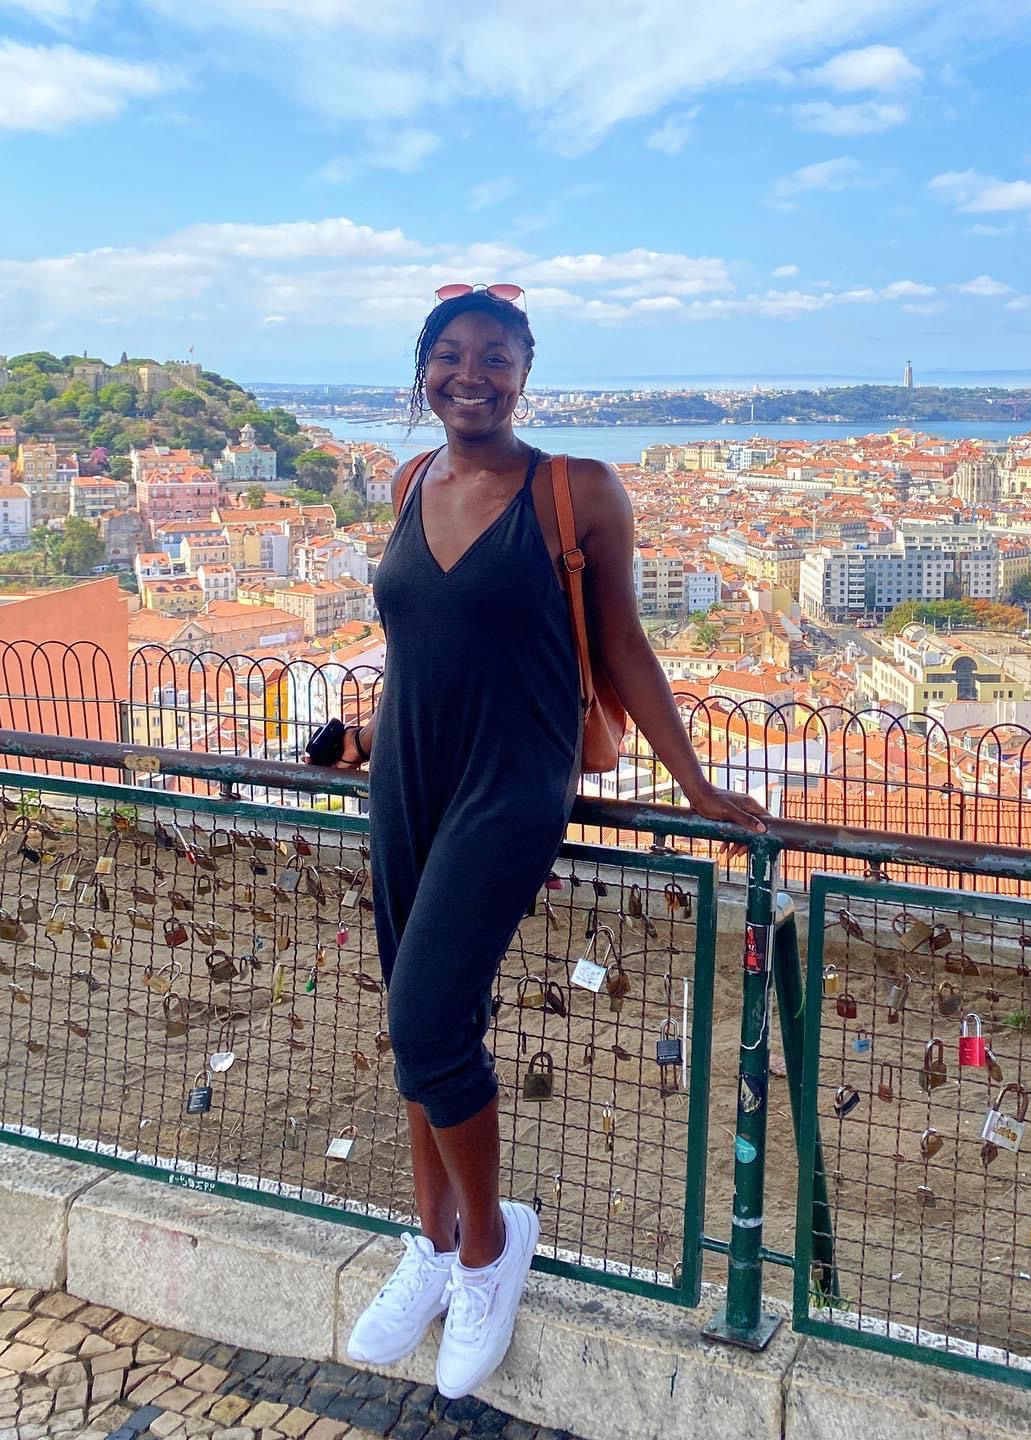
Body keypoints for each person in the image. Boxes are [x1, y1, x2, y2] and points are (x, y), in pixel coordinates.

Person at [309, 283, 770, 1397]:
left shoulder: (578, 491)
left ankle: (487, 1247)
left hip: (512, 781)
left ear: (526, 373)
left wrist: (697, 783)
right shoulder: (409, 478)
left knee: (425, 1022)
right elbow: (428, 639)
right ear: (422, 373)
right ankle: (429, 1237)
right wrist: (366, 739)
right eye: (450, 355)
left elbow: (621, 644)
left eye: (495, 357)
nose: (471, 374)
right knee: (425, 1018)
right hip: (407, 776)